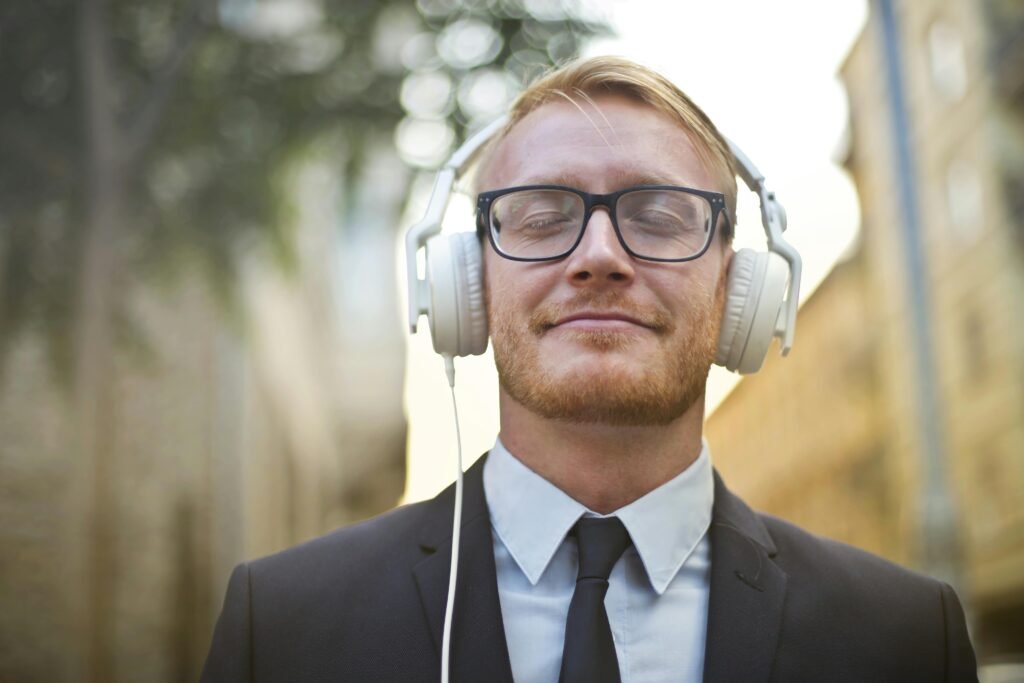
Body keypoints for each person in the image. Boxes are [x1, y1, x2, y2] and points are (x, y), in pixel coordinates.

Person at [201, 57, 978, 682]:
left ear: (739, 289)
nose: (599, 257)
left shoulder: (908, 638)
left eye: (659, 216)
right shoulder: (281, 625)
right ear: (466, 281)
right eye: (543, 217)